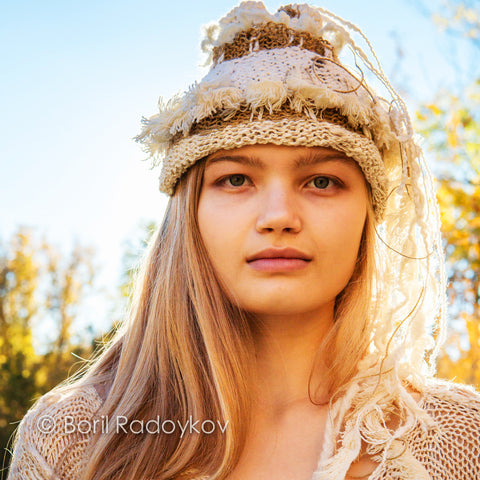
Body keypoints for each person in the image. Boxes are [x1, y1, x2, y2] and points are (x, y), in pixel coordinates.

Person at [6, 2, 480, 479]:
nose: (279, 218)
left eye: (321, 182)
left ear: (367, 213)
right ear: (188, 215)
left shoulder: (460, 440)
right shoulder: (71, 440)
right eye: (235, 180)